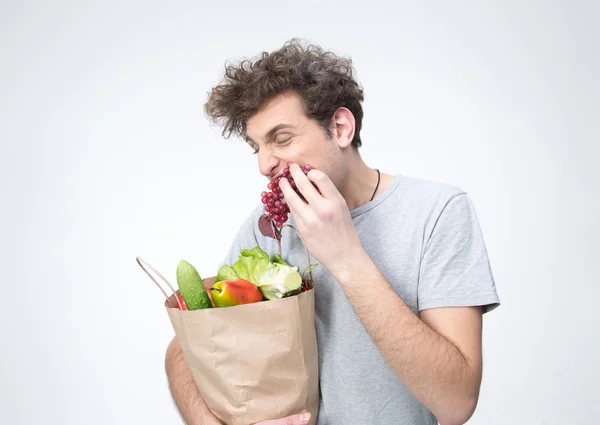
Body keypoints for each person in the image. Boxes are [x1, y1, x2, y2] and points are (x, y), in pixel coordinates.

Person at [165, 39, 500, 425]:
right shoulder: (269, 226)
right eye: (255, 147)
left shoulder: (437, 212)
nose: (264, 164)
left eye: (282, 138)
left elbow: (456, 403)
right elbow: (187, 347)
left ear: (340, 128)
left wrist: (345, 257)